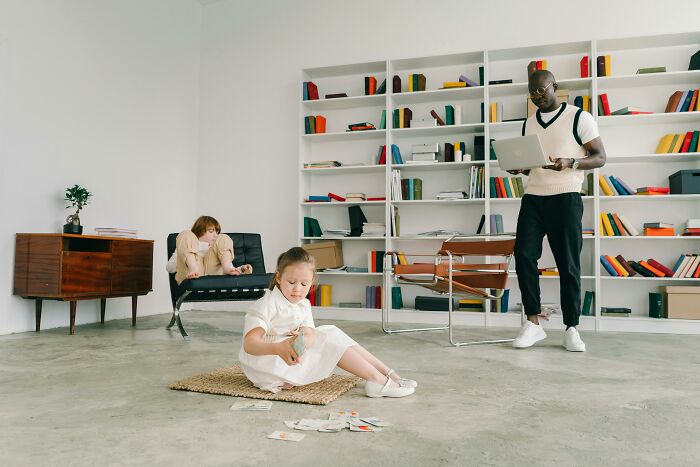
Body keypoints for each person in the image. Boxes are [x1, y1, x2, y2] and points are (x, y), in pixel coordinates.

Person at [509, 70, 606, 352]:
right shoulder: (529, 123)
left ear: (555, 87)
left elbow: (600, 157)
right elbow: (533, 163)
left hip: (566, 197)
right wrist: (520, 168)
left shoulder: (579, 117)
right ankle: (533, 323)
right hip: (533, 197)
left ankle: (571, 328)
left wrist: (571, 162)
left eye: (542, 91)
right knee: (524, 256)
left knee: (568, 264)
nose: (537, 97)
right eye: (532, 93)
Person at [239, 246, 416, 398]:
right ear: (278, 278)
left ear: (312, 283)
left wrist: (303, 341)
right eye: (291, 282)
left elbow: (309, 333)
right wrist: (279, 348)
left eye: (304, 284)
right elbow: (250, 344)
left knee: (330, 330)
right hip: (267, 364)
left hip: (290, 357)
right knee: (329, 339)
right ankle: (377, 380)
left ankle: (387, 373)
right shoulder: (267, 304)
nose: (297, 289)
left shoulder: (303, 304)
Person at [165, 215, 252, 284]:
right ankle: (193, 268)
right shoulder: (186, 243)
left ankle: (227, 267)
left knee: (223, 237)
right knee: (185, 234)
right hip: (189, 276)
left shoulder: (217, 245)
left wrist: (241, 269)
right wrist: (193, 251)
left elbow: (228, 269)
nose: (215, 235)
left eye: (216, 232)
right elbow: (169, 268)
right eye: (211, 231)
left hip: (213, 278)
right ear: (199, 231)